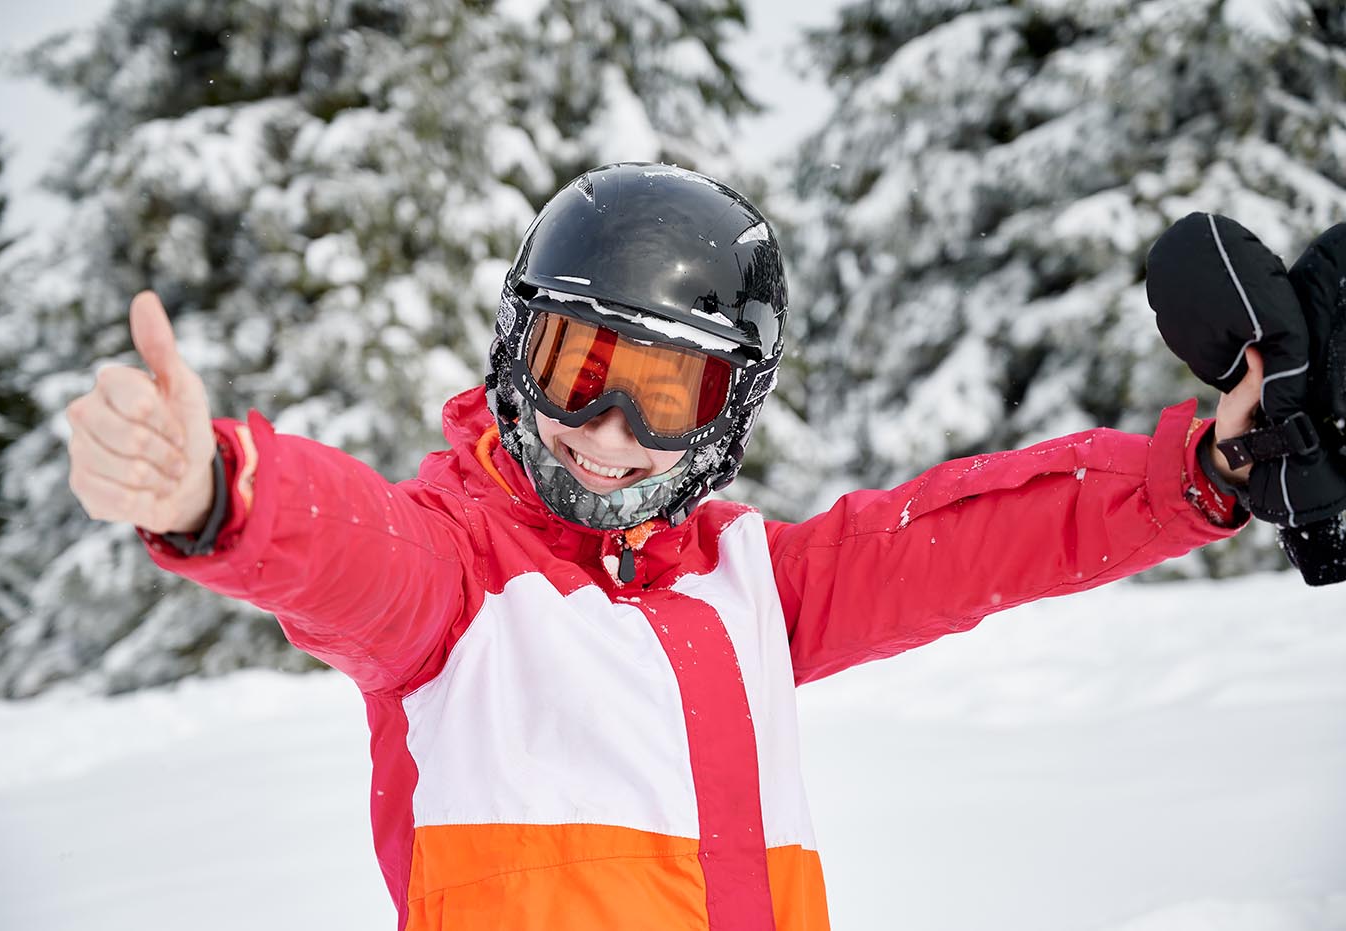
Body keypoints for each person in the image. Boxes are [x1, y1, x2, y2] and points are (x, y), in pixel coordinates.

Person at [65, 163, 1263, 931]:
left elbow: (961, 536)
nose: (607, 433)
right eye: (576, 370)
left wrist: (1194, 475)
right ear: (514, 357)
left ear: (728, 410)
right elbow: (350, 550)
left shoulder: (750, 585)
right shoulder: (460, 583)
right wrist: (223, 492)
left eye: (663, 393)